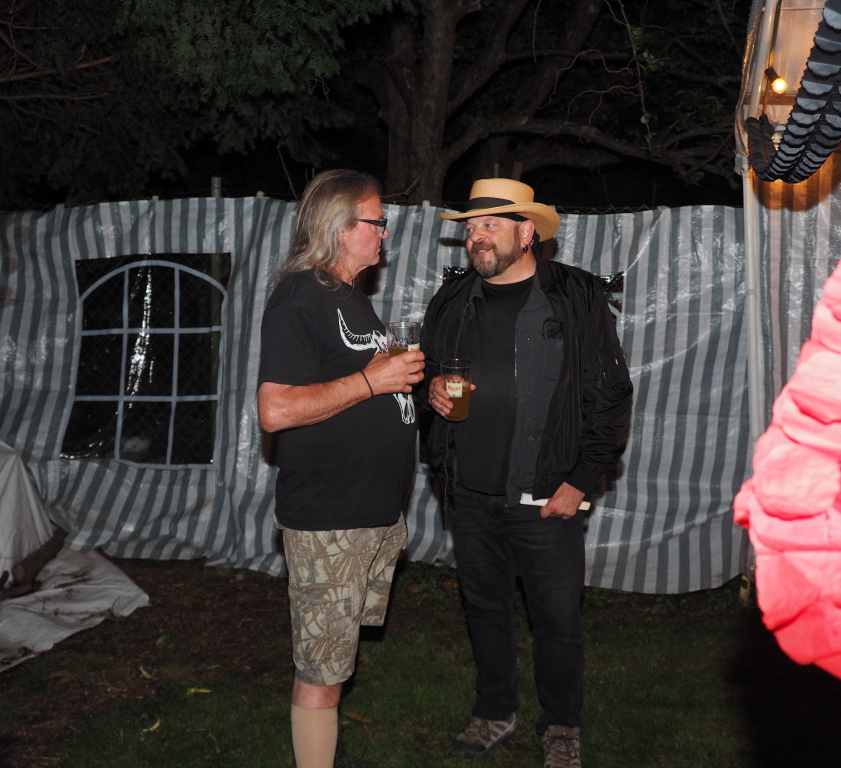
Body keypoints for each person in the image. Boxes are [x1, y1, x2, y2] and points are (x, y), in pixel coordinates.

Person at [421, 178, 633, 768]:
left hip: (546, 494)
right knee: (484, 607)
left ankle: (562, 725)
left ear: (526, 232)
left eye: (490, 225)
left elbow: (610, 392)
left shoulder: (575, 295)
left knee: (557, 620)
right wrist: (430, 386)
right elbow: (428, 372)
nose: (476, 237)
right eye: (470, 228)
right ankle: (495, 709)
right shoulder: (451, 299)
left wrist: (581, 479)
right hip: (469, 491)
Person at [257, 169, 425, 768]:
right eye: (377, 222)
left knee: (335, 658)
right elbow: (276, 409)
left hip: (370, 516)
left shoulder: (351, 298)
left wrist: (402, 384)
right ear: (338, 227)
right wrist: (372, 380)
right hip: (330, 519)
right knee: (321, 671)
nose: (385, 233)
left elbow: (358, 387)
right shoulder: (298, 297)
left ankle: (328, 753)